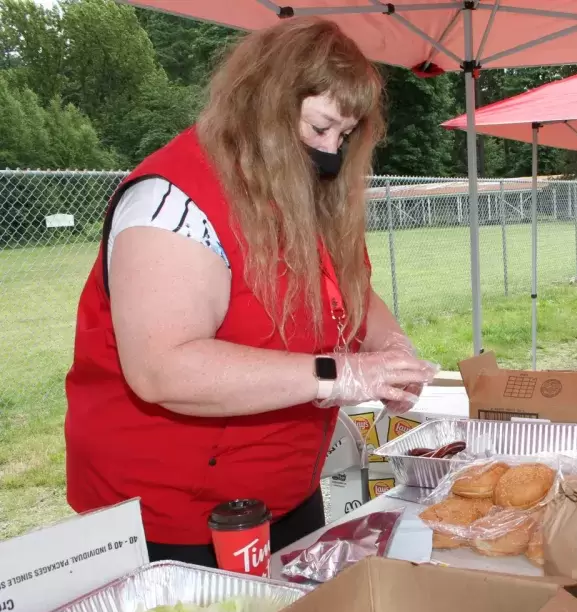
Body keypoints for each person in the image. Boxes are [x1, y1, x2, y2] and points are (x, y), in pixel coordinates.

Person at [64, 18, 437, 567]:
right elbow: (164, 368)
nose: (331, 153)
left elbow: (346, 291)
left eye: (345, 135)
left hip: (285, 491)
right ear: (263, 105)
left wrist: (392, 348)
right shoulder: (172, 201)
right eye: (319, 128)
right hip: (173, 513)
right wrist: (339, 374)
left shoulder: (297, 192)